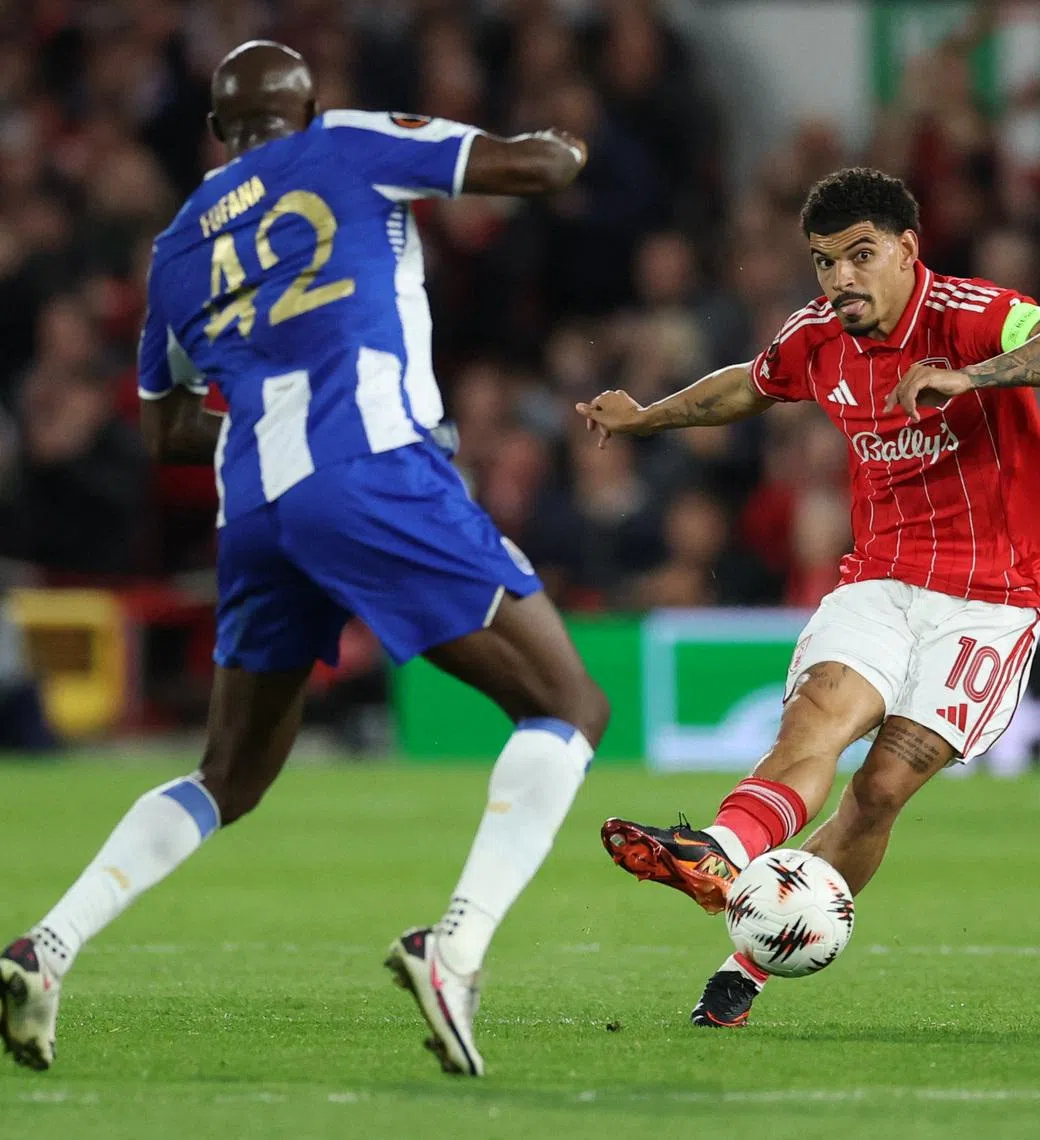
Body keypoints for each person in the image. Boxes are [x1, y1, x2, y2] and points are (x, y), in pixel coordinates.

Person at [0, 41, 609, 1079]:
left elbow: (164, 431)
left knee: (227, 776)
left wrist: (273, 419)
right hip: (369, 467)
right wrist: (570, 139)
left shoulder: (179, 241)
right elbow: (535, 169)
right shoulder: (346, 144)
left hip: (255, 510)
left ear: (216, 132)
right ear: (307, 107)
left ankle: (43, 949)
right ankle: (452, 950)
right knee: (569, 706)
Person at [575, 167, 1040, 1029]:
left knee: (885, 786)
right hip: (883, 578)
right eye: (825, 263)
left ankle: (747, 964)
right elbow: (748, 385)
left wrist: (974, 379)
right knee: (817, 720)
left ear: (906, 248)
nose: (841, 281)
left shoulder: (969, 314)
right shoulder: (817, 335)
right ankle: (718, 850)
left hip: (991, 597)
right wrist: (649, 418)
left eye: (860, 257)